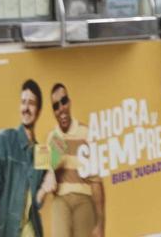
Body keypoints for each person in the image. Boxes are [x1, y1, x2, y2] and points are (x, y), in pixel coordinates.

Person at [0, 79, 51, 237]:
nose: (26, 108)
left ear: (39, 110)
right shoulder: (3, 140)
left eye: (31, 103)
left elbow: (35, 204)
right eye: (23, 102)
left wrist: (46, 187)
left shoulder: (42, 152)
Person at [44, 83, 105, 237]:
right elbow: (43, 172)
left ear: (69, 102)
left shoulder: (86, 133)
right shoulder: (52, 137)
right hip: (61, 199)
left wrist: (100, 223)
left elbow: (96, 182)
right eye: (56, 106)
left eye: (63, 101)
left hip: (84, 198)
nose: (61, 108)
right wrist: (50, 170)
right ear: (53, 111)